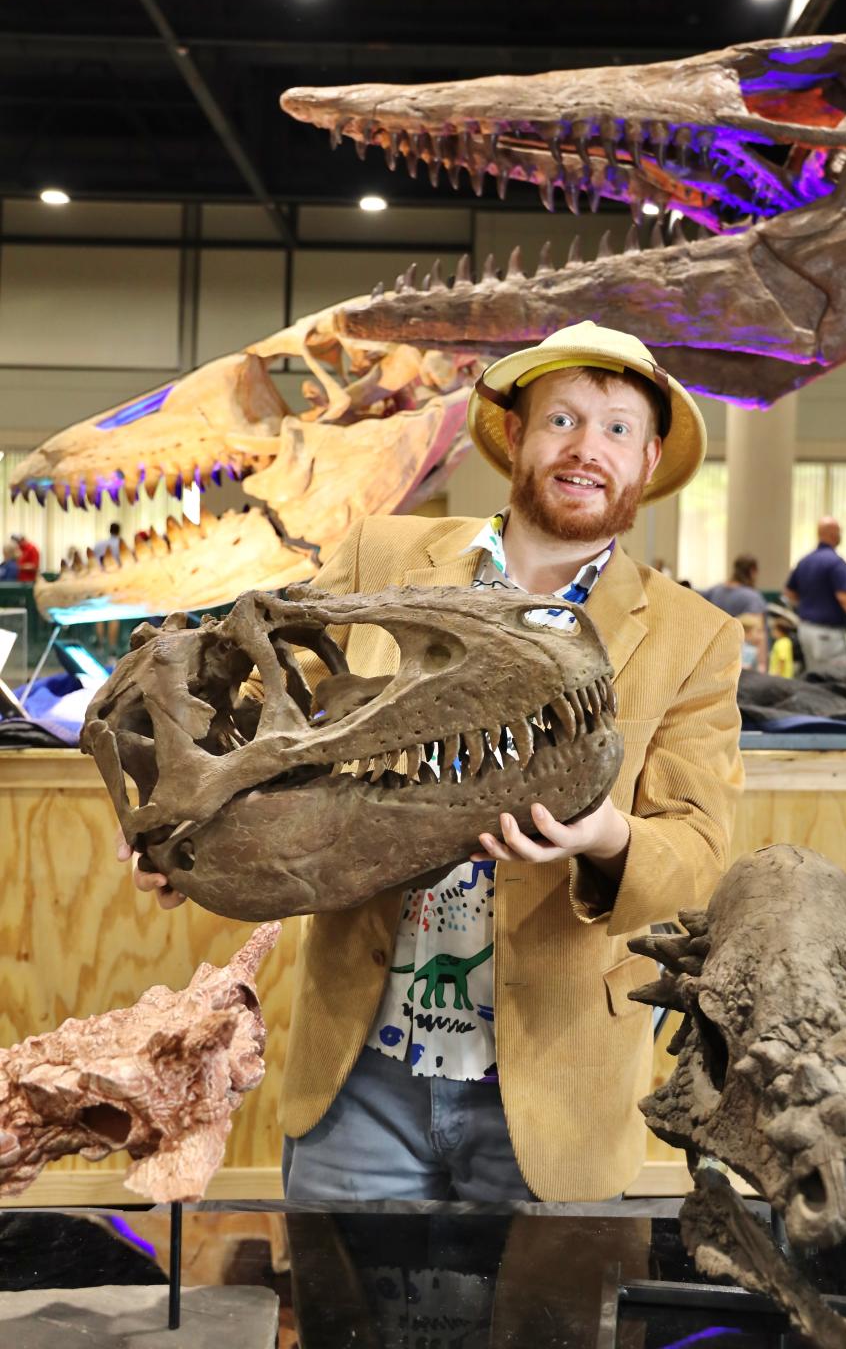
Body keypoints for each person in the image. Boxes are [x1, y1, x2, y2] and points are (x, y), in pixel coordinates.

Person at [121, 321, 744, 1204]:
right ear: (518, 438)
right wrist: (184, 819)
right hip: (362, 1077)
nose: (585, 449)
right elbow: (261, 716)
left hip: (553, 1096)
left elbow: (700, 856)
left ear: (647, 463)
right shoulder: (381, 558)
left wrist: (605, 837)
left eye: (615, 430)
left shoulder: (695, 637)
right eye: (561, 419)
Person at [784, 517, 846, 670]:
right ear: (834, 535)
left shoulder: (804, 561)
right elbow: (845, 597)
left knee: (814, 676)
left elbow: (790, 593)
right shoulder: (836, 563)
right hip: (827, 635)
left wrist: (811, 601)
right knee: (834, 680)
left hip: (805, 630)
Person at [702, 554, 768, 671]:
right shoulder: (752, 597)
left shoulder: (715, 591)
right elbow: (758, 633)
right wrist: (762, 664)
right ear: (752, 571)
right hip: (741, 662)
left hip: (712, 657)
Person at [93, 521, 123, 659]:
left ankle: (100, 644)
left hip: (100, 580)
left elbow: (93, 562)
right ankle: (111, 649)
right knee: (113, 615)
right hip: (115, 581)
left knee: (99, 613)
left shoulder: (99, 545)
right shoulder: (121, 545)